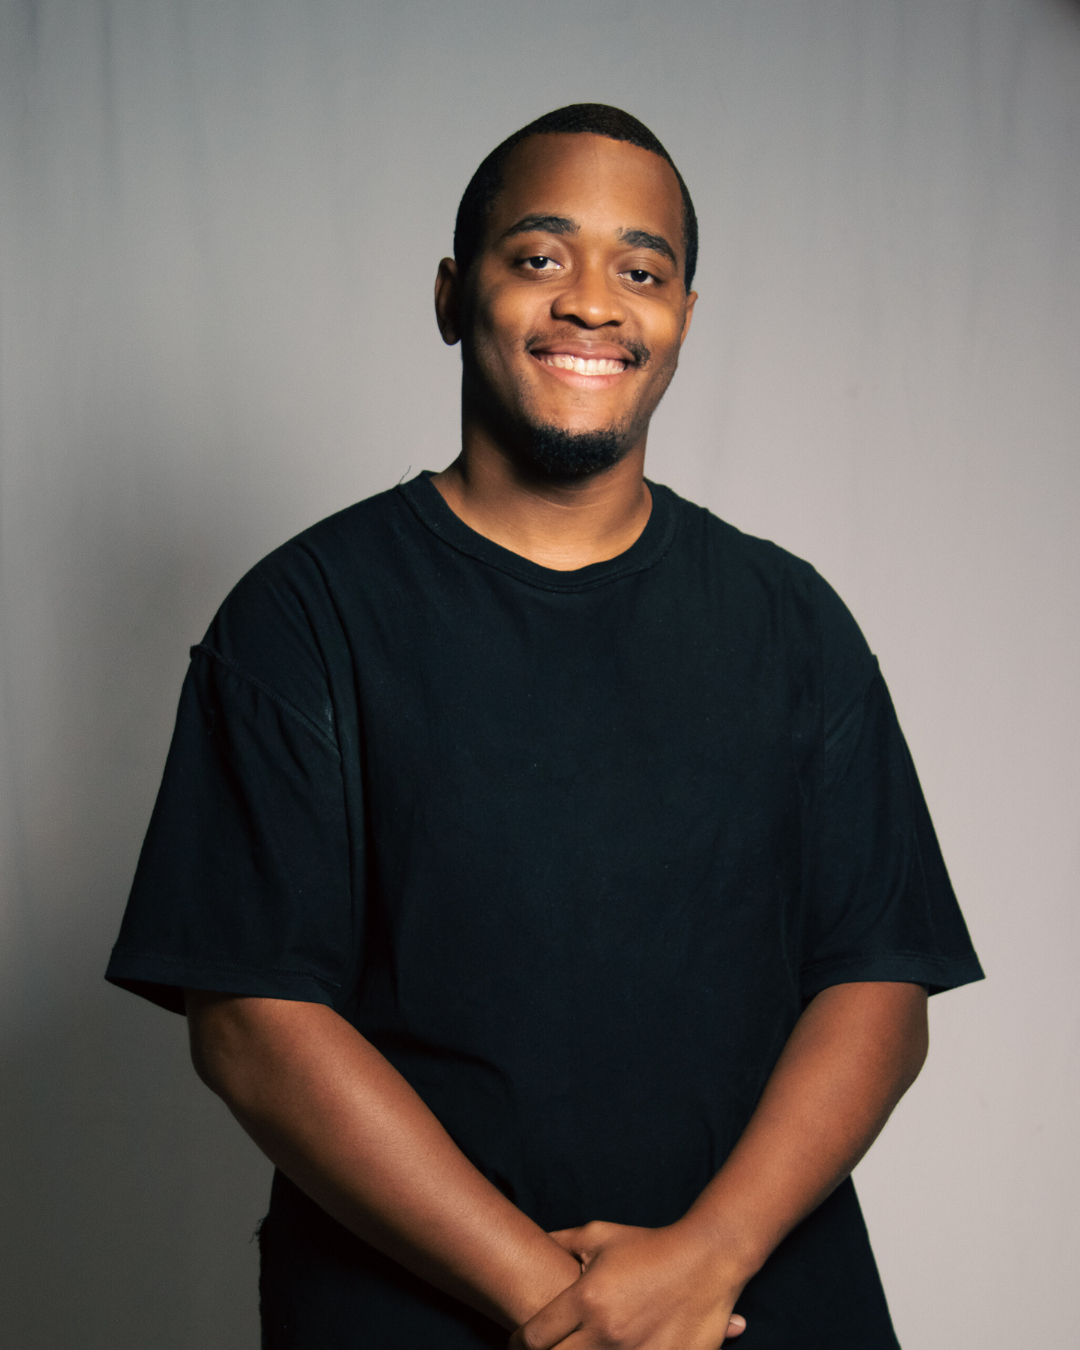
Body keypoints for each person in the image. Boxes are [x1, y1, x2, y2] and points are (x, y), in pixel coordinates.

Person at [106, 104, 983, 1350]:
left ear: (682, 318)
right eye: (539, 256)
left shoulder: (793, 622)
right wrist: (558, 1305)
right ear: (453, 296)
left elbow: (881, 982)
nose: (593, 302)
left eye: (642, 269)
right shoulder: (302, 618)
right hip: (414, 1311)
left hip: (756, 1304)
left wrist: (705, 1262)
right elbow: (252, 1023)